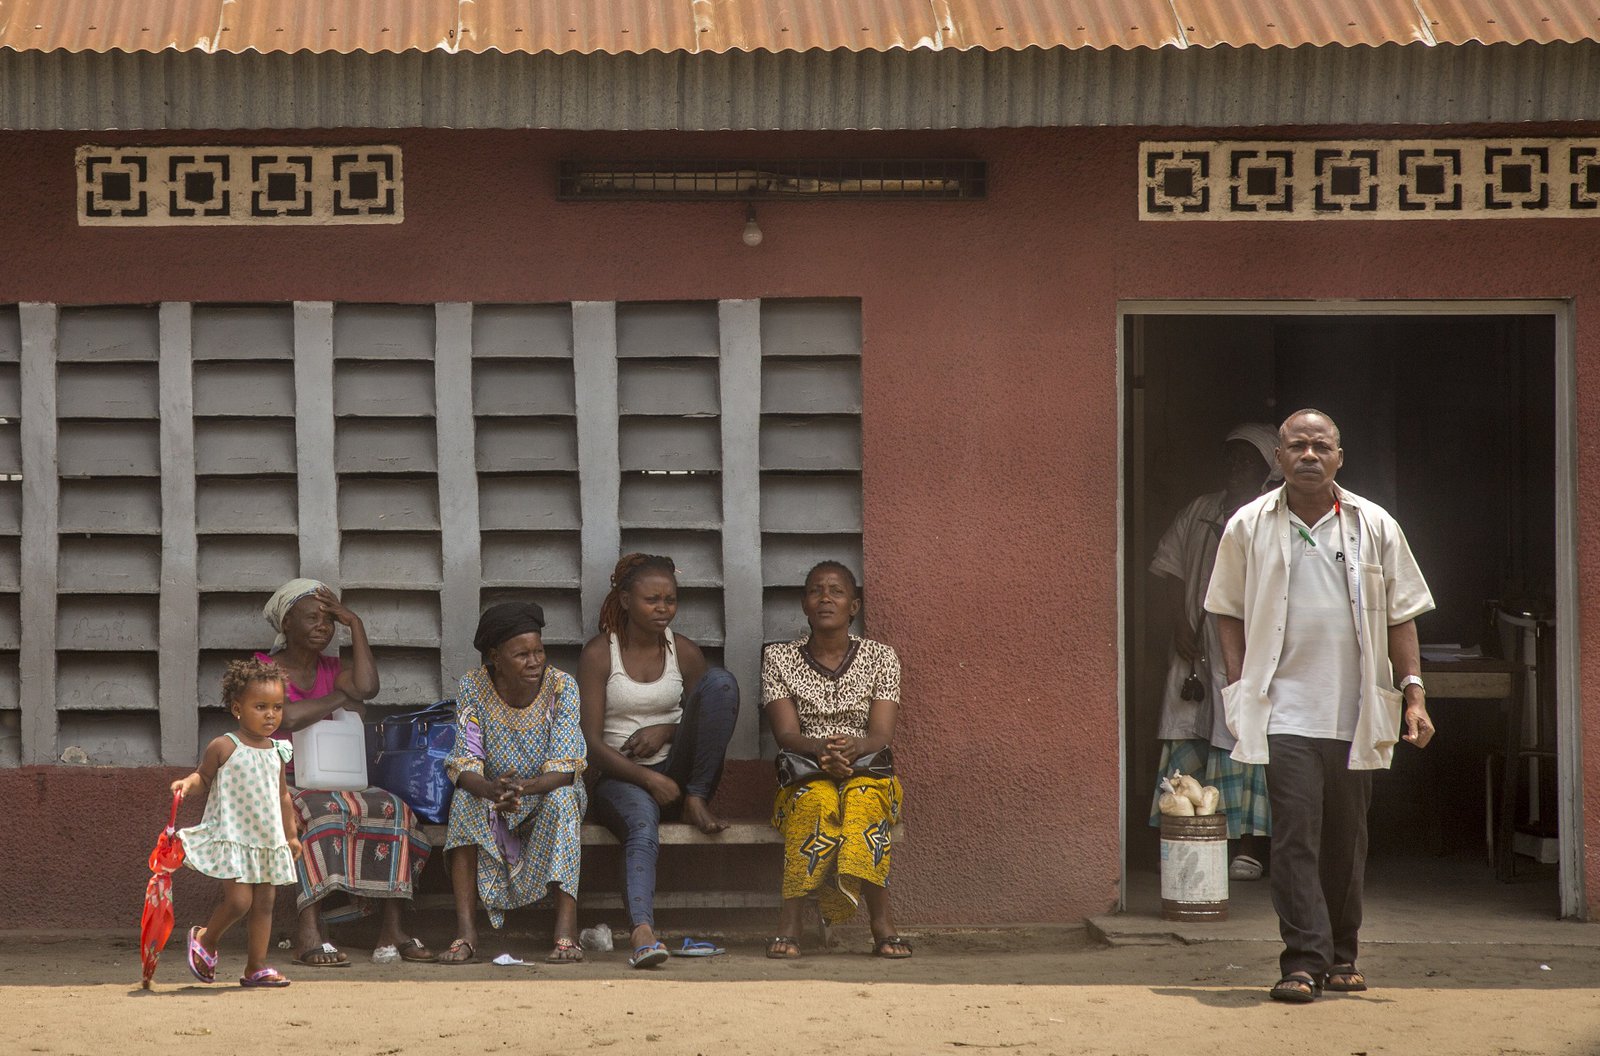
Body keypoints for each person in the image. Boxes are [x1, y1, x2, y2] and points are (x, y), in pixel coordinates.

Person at [1205, 409, 1436, 1003]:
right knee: (1295, 835)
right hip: (1284, 710)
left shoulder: (1374, 524)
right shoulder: (1248, 524)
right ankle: (1302, 960)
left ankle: (1342, 955)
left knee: (1346, 838)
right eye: (1297, 446)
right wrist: (1237, 677)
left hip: (1355, 710)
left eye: (1320, 446)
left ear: (1339, 457)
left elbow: (1400, 613)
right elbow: (1224, 607)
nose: (1309, 455)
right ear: (1279, 458)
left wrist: (1414, 694)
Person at [256, 579, 434, 967]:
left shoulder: (333, 667)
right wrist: (339, 698)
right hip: (279, 775)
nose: (323, 626)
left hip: (333, 774)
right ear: (286, 624)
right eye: (312, 618)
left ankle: (392, 930)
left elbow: (367, 687)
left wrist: (355, 624)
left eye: (329, 619)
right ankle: (309, 930)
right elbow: (288, 716)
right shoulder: (264, 667)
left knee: (395, 810)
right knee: (318, 815)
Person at [579, 553, 741, 970]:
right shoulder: (600, 655)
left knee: (721, 683)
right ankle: (642, 933)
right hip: (620, 778)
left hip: (681, 776)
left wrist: (667, 732)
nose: (663, 608)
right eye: (652, 599)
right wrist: (647, 781)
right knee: (640, 823)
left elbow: (703, 721)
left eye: (671, 599)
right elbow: (590, 744)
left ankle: (698, 799)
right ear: (625, 599)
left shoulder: (683, 652)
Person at [1148, 423, 1281, 880]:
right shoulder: (1200, 511)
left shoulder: (1271, 515)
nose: (1235, 465)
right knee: (1192, 737)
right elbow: (1168, 569)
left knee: (1243, 741)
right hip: (1194, 650)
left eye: (1247, 459)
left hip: (1246, 650)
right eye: (1230, 456)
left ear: (1268, 469)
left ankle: (1248, 847)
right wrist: (1178, 623)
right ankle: (1194, 841)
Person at [761, 561, 909, 960]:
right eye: (816, 591)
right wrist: (823, 752)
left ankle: (881, 924)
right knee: (817, 803)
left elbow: (881, 735)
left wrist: (849, 751)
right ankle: (790, 922)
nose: (826, 598)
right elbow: (786, 735)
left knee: (862, 802)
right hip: (805, 773)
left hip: (866, 769)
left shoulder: (882, 657)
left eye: (837, 591)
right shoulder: (779, 658)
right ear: (804, 605)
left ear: (854, 605)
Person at [439, 601, 587, 965]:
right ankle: (466, 932)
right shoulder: (474, 685)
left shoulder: (561, 686)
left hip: (546, 791)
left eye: (538, 651)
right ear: (495, 656)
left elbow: (567, 768)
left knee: (565, 799)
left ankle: (566, 931)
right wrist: (491, 790)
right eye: (521, 654)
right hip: (495, 796)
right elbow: (464, 761)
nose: (535, 661)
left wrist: (525, 788)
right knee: (464, 800)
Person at [172, 659, 301, 988]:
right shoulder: (225, 746)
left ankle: (255, 967)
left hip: (268, 839)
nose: (270, 715)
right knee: (240, 901)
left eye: (277, 707)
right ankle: (206, 937)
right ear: (237, 708)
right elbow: (203, 777)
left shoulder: (277, 751)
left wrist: (291, 835)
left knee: (266, 902)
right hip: (235, 835)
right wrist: (188, 783)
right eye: (260, 707)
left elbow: (283, 797)